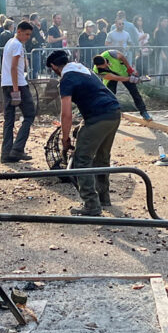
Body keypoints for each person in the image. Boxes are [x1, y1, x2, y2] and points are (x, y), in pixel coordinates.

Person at [46, 49, 122, 216]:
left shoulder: (66, 79)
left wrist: (65, 140)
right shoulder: (83, 69)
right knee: (102, 157)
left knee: (81, 160)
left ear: (54, 67)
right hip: (114, 112)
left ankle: (91, 205)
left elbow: (66, 114)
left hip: (98, 117)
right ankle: (103, 198)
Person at [0, 21, 36, 163]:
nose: (27, 37)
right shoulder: (17, 45)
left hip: (6, 83)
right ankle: (17, 148)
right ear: (19, 31)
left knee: (9, 119)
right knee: (30, 114)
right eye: (26, 34)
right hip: (18, 84)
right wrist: (16, 89)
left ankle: (6, 153)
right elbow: (14, 68)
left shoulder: (10, 42)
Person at [92, 48, 151, 121]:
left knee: (135, 93)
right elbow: (116, 78)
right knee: (109, 95)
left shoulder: (110, 54)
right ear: (98, 66)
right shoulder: (98, 71)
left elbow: (122, 57)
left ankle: (144, 112)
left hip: (124, 72)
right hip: (111, 79)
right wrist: (130, 79)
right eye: (104, 65)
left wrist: (129, 69)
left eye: (106, 62)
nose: (107, 65)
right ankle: (106, 114)